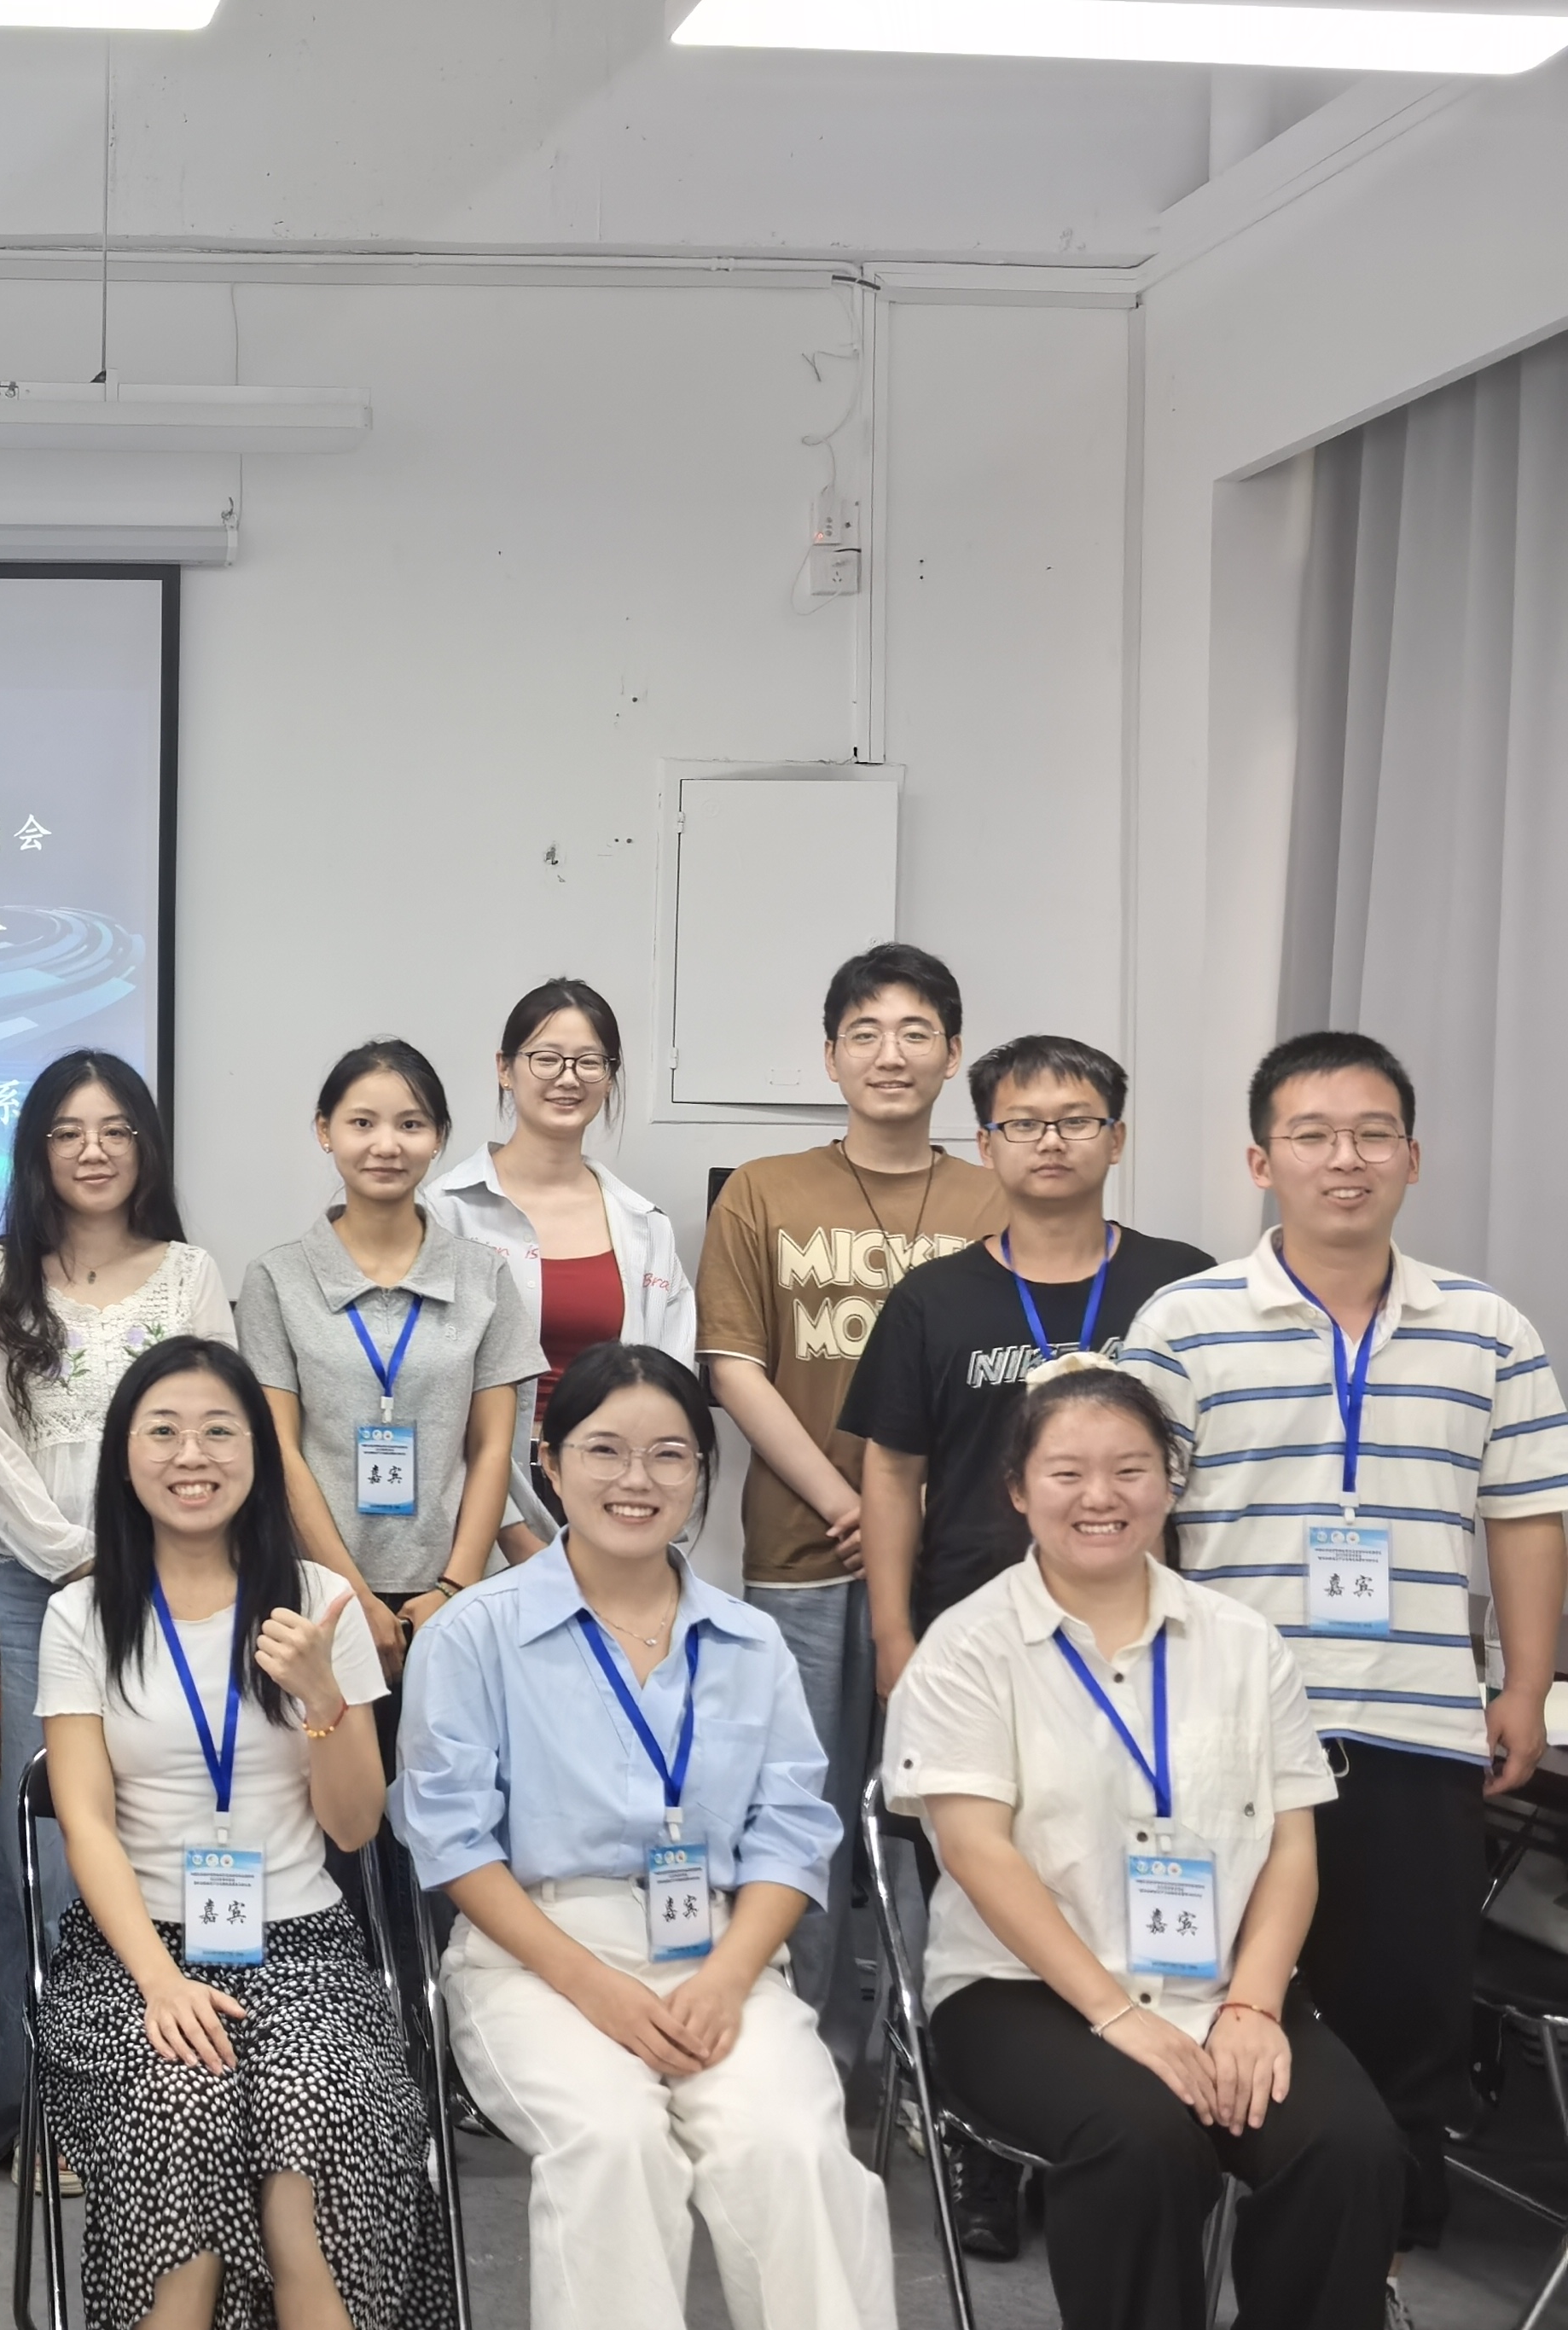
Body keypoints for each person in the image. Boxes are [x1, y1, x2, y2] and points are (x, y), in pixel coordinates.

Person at [1122, 1027, 1567, 2330]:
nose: (1344, 1158)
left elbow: (1525, 1514)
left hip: (1421, 1733)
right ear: (1260, 1161)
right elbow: (1126, 1519)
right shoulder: (1185, 1323)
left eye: (1372, 1133)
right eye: (1311, 1134)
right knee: (1193, 2015)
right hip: (1228, 1741)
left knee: (1398, 2039)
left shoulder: (1488, 1329)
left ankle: (1360, 2297)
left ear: (1413, 1159)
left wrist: (1522, 1686)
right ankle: (1155, 2303)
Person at [399, 1342, 923, 2330]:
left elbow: (792, 1832)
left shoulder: (748, 1642)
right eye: (604, 1451)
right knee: (612, 2148)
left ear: (701, 1474)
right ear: (548, 1463)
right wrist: (596, 1989)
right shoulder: (474, 1634)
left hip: (721, 1960)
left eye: (669, 1456)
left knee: (796, 2153)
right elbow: (452, 1843)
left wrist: (729, 1978)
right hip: (538, 1959)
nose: (635, 1480)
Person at [885, 1358, 1397, 2330]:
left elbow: (1293, 1847)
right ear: (1017, 1489)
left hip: (1220, 1982)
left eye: (1129, 1469)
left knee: (1347, 2147)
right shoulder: (969, 1645)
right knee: (1140, 2137)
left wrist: (1254, 2004)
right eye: (1066, 1471)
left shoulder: (1242, 1642)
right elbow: (977, 1853)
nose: (1099, 1496)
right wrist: (1116, 2015)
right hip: (1022, 1990)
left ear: (1170, 1485)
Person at [38, 1335, 456, 2330]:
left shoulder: (320, 1603)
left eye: (221, 1430)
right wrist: (158, 1981)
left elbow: (358, 1827)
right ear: (125, 1457)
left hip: (306, 1944)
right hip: (138, 1949)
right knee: (175, 2098)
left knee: (327, 2101)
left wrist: (324, 1699)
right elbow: (85, 1822)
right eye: (164, 1431)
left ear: (260, 1456)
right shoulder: (84, 1613)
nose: (194, 1455)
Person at [833, 1031, 1211, 2256]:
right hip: (976, 1653)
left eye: (1076, 1118)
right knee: (981, 1904)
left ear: (1117, 1135)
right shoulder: (934, 1298)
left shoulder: (1182, 1288)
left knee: (1116, 1874)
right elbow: (891, 1472)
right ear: (984, 1141)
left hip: (1139, 1653)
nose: (1051, 1141)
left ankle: (1125, 2110)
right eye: (1023, 1122)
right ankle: (983, 2138)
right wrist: (895, 1633)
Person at [696, 943, 1004, 2037]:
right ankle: (806, 2055)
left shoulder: (998, 1196)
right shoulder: (762, 1193)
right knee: (803, 1814)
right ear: (829, 1057)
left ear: (953, 1055)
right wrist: (854, 1503)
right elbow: (733, 1366)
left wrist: (909, 1518)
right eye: (864, 1033)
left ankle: (936, 2060)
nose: (890, 1054)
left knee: (956, 1817)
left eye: (916, 1032)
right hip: (804, 1550)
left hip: (958, 1562)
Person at [0, 1049, 235, 2165]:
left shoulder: (190, 1275)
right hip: (27, 1592)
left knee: (154, 1832)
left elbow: (213, 1431)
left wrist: (145, 1566)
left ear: (146, 1146)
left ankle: (130, 2097)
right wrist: (85, 1561)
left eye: (116, 1129)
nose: (94, 1150)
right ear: (37, 1150)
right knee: (34, 1848)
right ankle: (26, 2103)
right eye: (68, 1131)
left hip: (171, 1589)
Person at [235, 1040, 537, 1691]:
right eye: (362, 1123)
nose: (386, 1145)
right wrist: (351, 1596)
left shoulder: (484, 1278)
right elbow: (278, 1449)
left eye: (411, 1124)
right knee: (328, 1755)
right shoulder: (277, 1279)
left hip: (456, 1595)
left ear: (439, 1137)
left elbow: (492, 1449)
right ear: (325, 1131)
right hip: (313, 1590)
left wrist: (454, 1588)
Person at [424, 979, 695, 1560]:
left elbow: (672, 1391)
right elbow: (428, 1391)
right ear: (505, 1068)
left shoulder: (645, 1226)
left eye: (589, 1062)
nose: (568, 1078)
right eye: (546, 1058)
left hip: (611, 1490)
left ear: (610, 1077)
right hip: (474, 1503)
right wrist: (511, 1532)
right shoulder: (444, 1213)